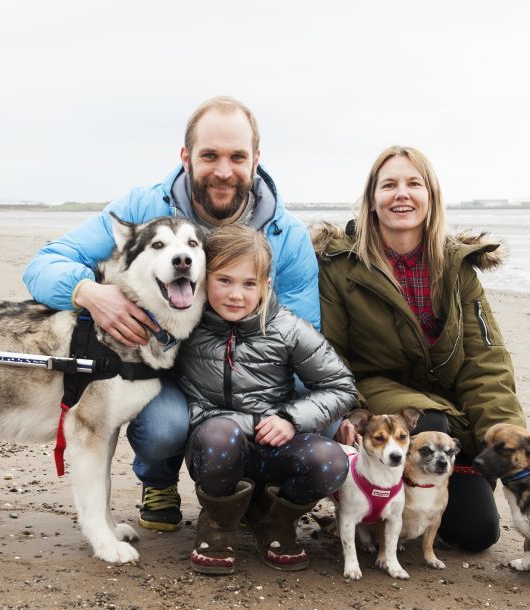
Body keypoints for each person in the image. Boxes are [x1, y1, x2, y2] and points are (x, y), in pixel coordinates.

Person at [23, 96, 320, 532]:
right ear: (186, 158)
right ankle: (157, 478)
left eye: (237, 156)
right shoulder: (143, 208)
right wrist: (89, 292)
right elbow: (44, 264)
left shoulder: (285, 235)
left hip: (246, 369)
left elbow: (303, 329)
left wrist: (290, 413)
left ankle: (256, 485)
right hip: (162, 370)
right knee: (163, 427)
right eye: (209, 156)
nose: (223, 170)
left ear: (256, 160)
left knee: (317, 423)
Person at [317, 145, 526, 552]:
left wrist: (507, 438)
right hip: (378, 393)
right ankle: (379, 511)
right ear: (371, 200)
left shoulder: (458, 267)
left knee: (476, 533)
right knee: (431, 421)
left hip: (445, 407)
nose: (401, 194)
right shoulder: (341, 267)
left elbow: (486, 361)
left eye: (414, 184)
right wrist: (347, 410)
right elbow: (330, 353)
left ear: (430, 197)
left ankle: (419, 508)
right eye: (389, 185)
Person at [177, 225, 355, 574]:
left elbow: (342, 386)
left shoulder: (287, 328)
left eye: (249, 284)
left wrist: (291, 418)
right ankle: (217, 521)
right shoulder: (184, 325)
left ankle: (273, 520)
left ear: (266, 286)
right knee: (219, 435)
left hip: (273, 446)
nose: (236, 295)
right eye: (224, 280)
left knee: (330, 460)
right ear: (202, 278)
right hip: (214, 447)